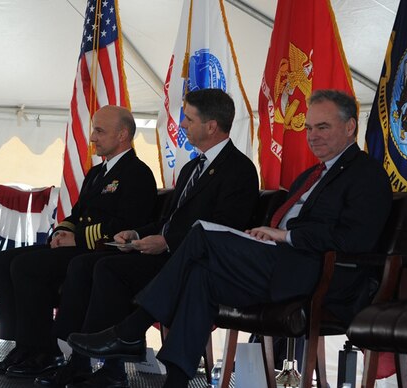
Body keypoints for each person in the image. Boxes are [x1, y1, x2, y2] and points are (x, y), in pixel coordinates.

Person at [67, 89, 393, 387]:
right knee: (200, 277)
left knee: (201, 236)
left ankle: (131, 330)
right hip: (281, 263)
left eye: (322, 127)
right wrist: (269, 235)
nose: (312, 136)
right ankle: (176, 380)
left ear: (350, 127)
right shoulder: (312, 175)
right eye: (308, 128)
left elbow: (356, 240)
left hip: (321, 273)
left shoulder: (366, 174)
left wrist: (287, 235)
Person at [37, 89, 259, 388]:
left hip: (195, 262)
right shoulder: (193, 167)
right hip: (168, 254)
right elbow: (170, 220)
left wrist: (167, 242)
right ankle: (93, 362)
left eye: (189, 119)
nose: (181, 125)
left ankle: (106, 358)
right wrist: (139, 233)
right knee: (95, 263)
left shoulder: (240, 169)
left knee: (108, 268)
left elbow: (222, 227)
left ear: (211, 126)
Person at [0, 105, 157, 379]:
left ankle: (45, 351)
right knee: (2, 261)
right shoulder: (97, 173)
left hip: (97, 251)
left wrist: (77, 238)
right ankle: (23, 345)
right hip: (75, 247)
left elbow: (127, 226)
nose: (92, 138)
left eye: (99, 131)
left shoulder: (138, 174)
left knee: (26, 267)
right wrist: (61, 233)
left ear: (123, 134)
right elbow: (76, 214)